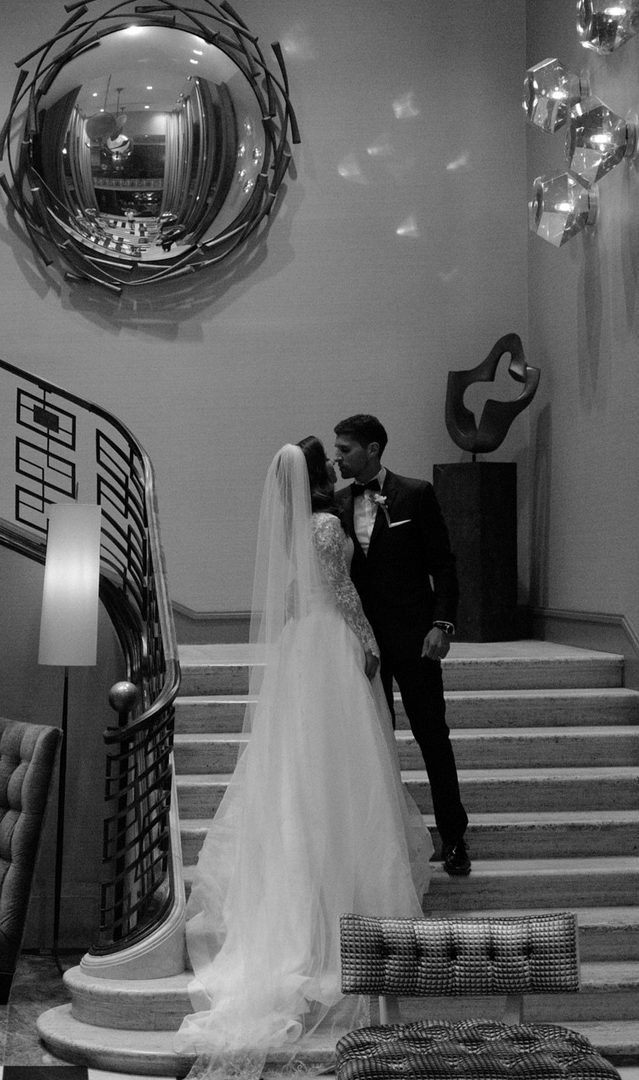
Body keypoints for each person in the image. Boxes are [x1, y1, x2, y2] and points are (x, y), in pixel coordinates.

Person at [178, 439, 430, 1079]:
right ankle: (338, 908)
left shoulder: (298, 528)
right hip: (330, 646)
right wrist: (369, 639)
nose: (338, 465)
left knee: (298, 777)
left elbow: (298, 588)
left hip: (301, 644)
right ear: (317, 475)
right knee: (340, 776)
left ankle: (309, 899)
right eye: (331, 460)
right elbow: (343, 589)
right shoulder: (323, 524)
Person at [332, 413, 471, 876]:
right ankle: (386, 846)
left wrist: (442, 625)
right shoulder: (334, 505)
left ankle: (454, 838)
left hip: (415, 639)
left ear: (373, 450)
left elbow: (444, 563)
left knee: (433, 736)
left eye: (346, 449)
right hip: (362, 646)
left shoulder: (416, 493)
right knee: (372, 745)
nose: (338, 457)